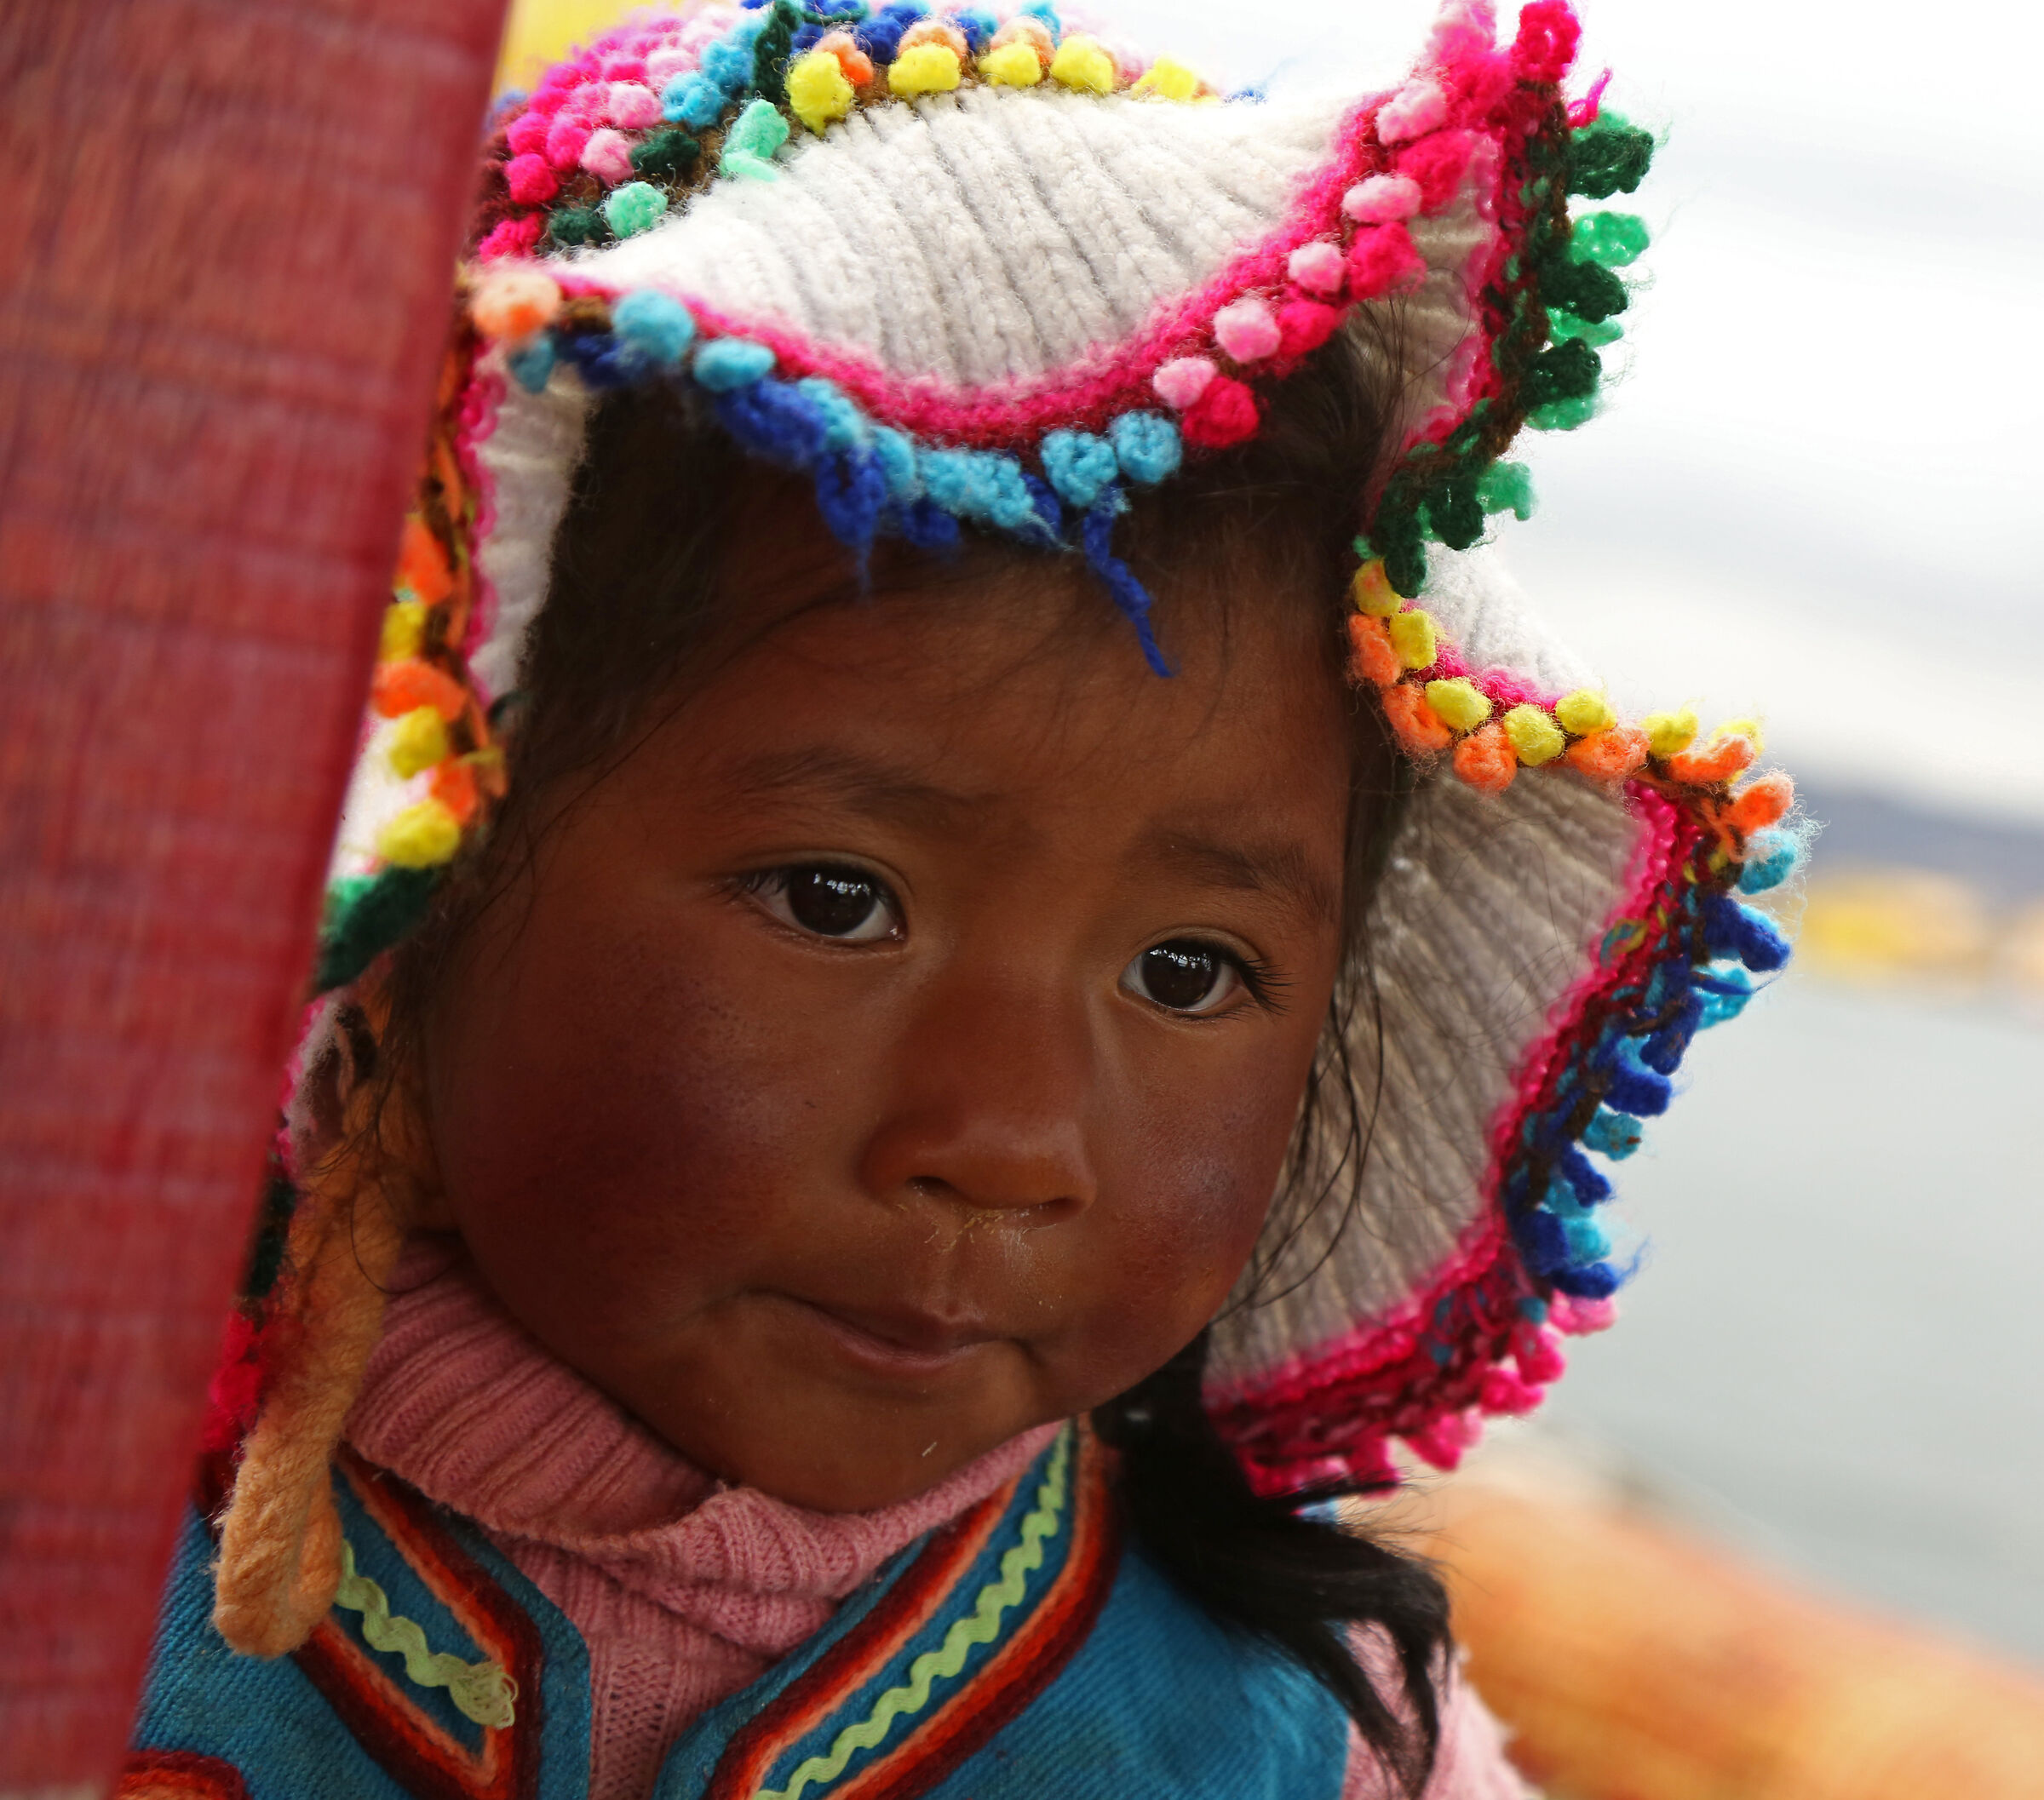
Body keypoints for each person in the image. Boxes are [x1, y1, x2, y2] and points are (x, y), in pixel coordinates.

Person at [125, 2, 1802, 1795]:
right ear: (424, 901)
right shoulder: (80, 1533)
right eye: (839, 898)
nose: (1005, 1139)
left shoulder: (1305, 1747)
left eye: (1187, 966)